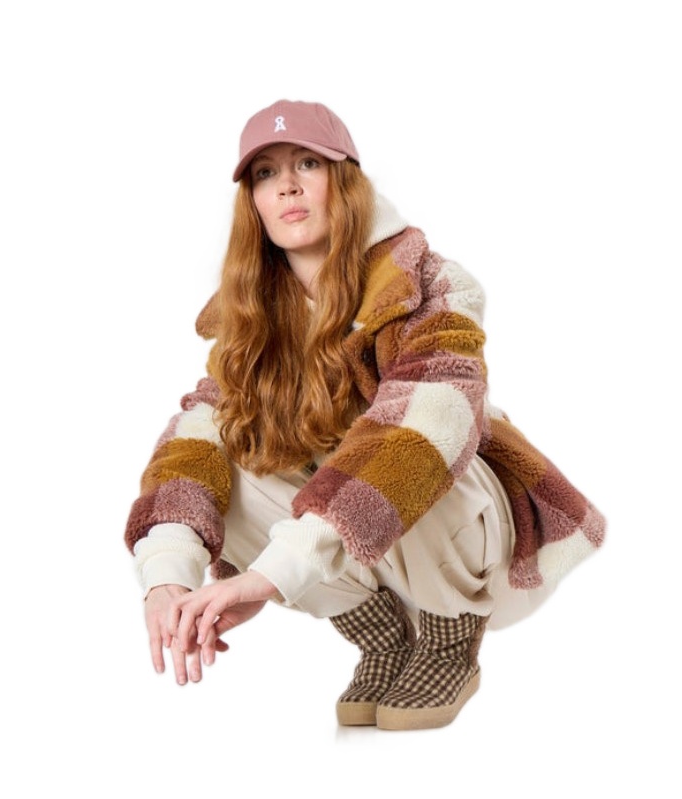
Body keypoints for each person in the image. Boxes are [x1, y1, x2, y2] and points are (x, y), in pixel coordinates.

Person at [124, 99, 605, 730]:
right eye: (266, 173)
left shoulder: (431, 283)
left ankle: (448, 635)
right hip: (357, 552)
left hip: (469, 540)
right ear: (253, 203)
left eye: (307, 164)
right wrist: (167, 576)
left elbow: (429, 425)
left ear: (344, 179)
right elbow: (195, 440)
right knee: (229, 452)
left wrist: (271, 575)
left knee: (418, 445)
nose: (287, 185)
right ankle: (382, 637)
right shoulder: (252, 318)